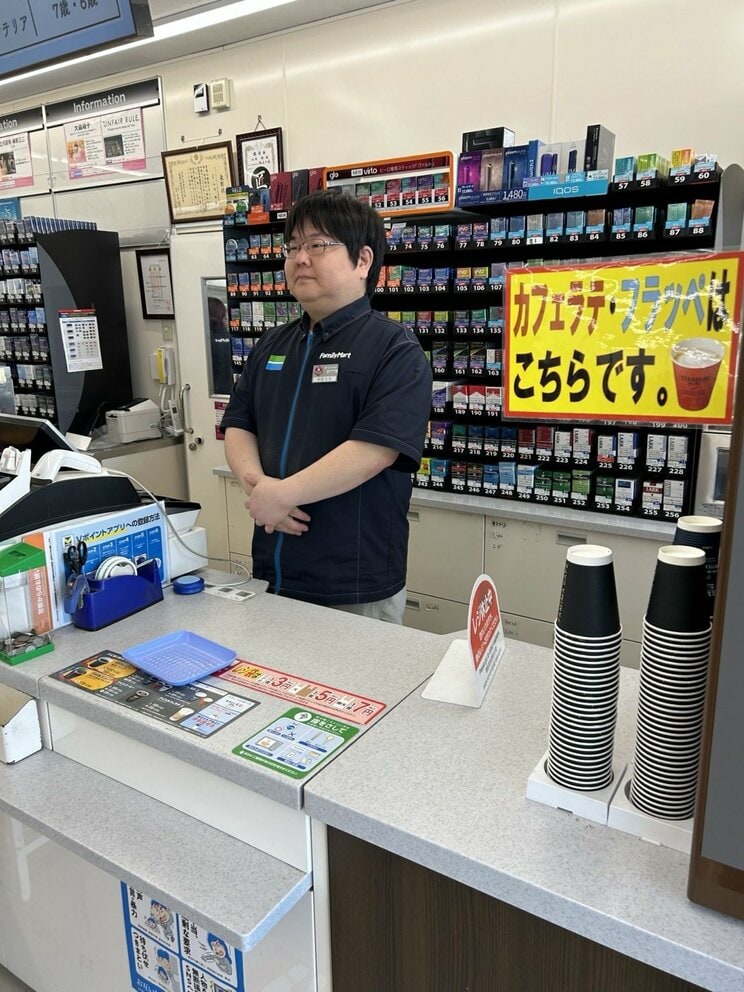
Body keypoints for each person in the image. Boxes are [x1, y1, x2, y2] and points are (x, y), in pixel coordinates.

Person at [221, 190, 432, 623]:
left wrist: (282, 495)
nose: (300, 258)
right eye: (293, 247)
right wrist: (259, 487)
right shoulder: (273, 344)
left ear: (362, 261)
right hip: (273, 572)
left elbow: (376, 450)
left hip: (352, 583)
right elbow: (239, 422)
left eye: (317, 245)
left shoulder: (395, 348)